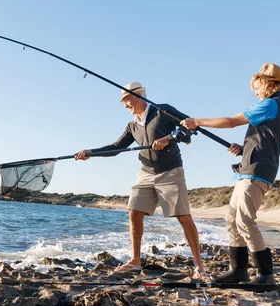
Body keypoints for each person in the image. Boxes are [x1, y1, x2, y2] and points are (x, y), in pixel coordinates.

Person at [74, 82, 207, 280]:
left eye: (126, 100)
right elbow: (117, 147)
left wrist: (169, 138)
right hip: (145, 172)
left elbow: (188, 129)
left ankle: (199, 265)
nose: (125, 105)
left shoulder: (163, 111)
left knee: (183, 216)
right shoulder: (132, 125)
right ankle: (135, 260)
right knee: (134, 212)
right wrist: (91, 153)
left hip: (170, 171)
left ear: (137, 97)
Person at [181, 63, 280, 284]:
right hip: (249, 168)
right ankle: (239, 269)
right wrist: (244, 148)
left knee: (244, 221)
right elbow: (266, 139)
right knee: (231, 218)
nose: (255, 91)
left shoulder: (271, 104)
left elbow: (231, 122)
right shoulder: (275, 107)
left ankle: (265, 275)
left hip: (257, 171)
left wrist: (197, 122)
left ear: (270, 84)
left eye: (257, 86)